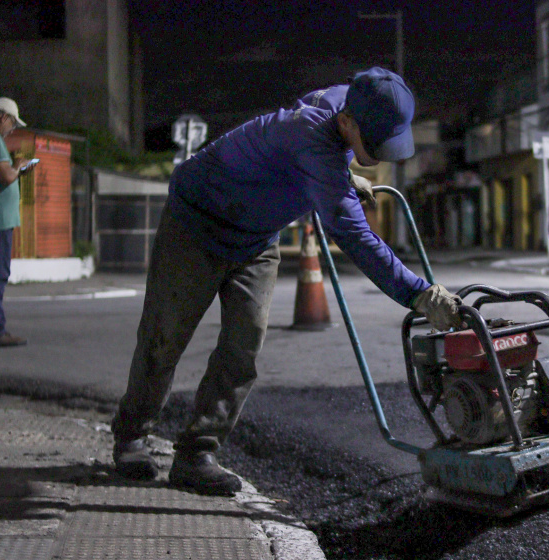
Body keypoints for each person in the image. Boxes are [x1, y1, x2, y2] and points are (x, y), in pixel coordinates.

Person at [111, 67, 463, 495]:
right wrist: (418, 293)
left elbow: (314, 154)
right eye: (375, 144)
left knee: (244, 346)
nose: (384, 154)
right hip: (197, 222)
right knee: (164, 338)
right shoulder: (312, 136)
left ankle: (196, 453)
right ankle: (131, 436)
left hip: (256, 237)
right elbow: (353, 233)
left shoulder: (349, 102)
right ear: (348, 123)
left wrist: (342, 174)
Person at [0, 97, 35, 348]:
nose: (12, 130)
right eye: (13, 124)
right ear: (3, 117)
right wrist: (17, 165)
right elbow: (6, 176)